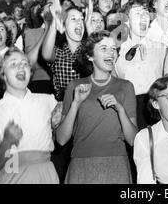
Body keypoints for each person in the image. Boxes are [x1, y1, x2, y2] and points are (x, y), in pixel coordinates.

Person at [56, 31, 137, 184]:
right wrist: (76, 103)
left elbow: (133, 140)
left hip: (116, 165)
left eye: (114, 49)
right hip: (81, 165)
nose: (111, 53)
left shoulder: (126, 87)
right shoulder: (75, 86)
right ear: (90, 56)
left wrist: (120, 109)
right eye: (104, 48)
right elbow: (61, 139)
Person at [0, 48, 61, 183]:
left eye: (25, 63)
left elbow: (64, 135)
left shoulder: (48, 101)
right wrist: (6, 142)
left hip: (46, 176)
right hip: (14, 177)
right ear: (2, 74)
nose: (21, 67)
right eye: (14, 64)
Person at [115, 0, 167, 129]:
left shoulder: (161, 49)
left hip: (157, 107)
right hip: (129, 110)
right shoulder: (117, 51)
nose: (144, 17)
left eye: (145, 13)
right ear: (126, 21)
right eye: (138, 14)